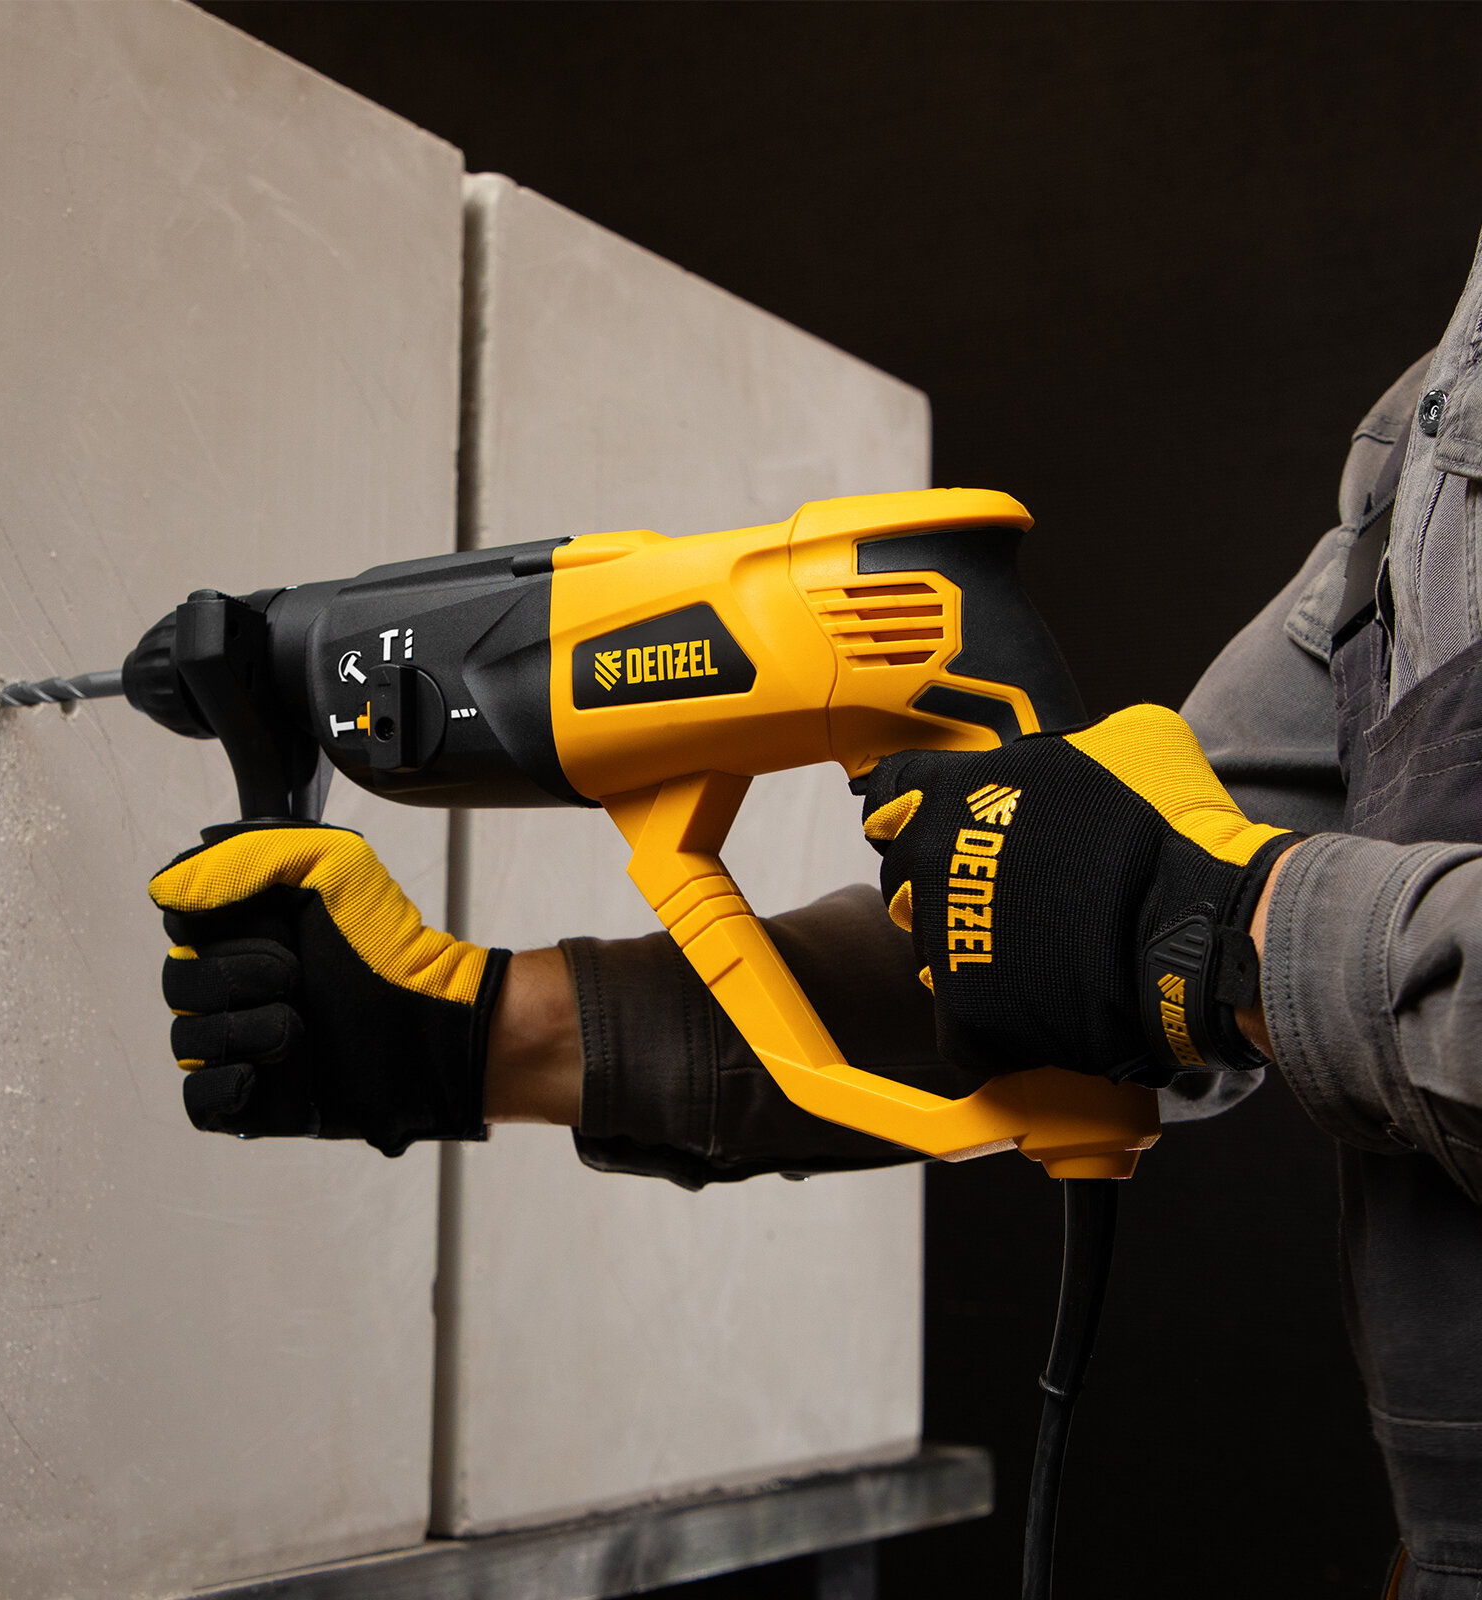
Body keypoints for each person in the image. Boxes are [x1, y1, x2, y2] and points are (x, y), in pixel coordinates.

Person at [149, 236, 1482, 1599]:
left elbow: (1188, 909)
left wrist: (1221, 925)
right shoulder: (1439, 404)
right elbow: (1089, 930)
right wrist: (477, 1032)